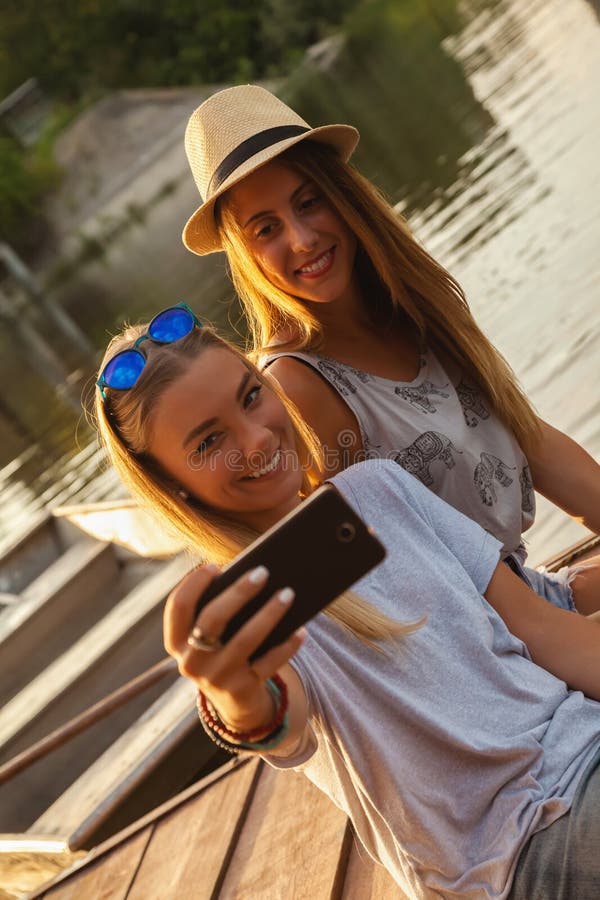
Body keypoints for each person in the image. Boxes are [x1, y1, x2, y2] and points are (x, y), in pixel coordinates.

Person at [94, 304, 600, 899]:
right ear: (173, 483)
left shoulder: (375, 488)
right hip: (519, 849)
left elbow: (542, 626)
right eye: (209, 442)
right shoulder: (247, 611)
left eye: (252, 396)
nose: (256, 439)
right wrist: (235, 696)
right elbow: (277, 719)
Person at [180, 83, 600, 615]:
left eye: (309, 202)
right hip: (481, 652)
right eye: (267, 229)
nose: (303, 239)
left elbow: (532, 441)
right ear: (245, 255)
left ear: (343, 194)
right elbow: (353, 596)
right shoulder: (298, 387)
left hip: (532, 598)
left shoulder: (419, 308)